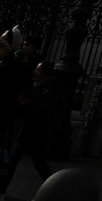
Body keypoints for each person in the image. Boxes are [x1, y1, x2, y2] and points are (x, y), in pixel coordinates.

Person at [0, 59, 59, 193]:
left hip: (35, 132)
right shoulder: (38, 86)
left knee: (16, 159)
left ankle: (54, 185)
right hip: (32, 131)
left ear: (45, 73)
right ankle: (54, 185)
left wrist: (26, 103)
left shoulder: (48, 88)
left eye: (38, 70)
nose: (34, 72)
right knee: (37, 162)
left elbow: (43, 109)